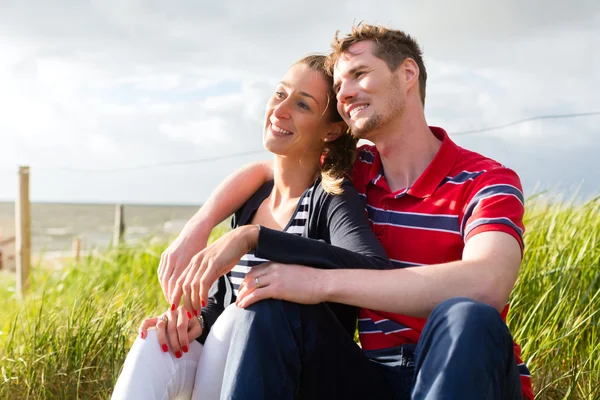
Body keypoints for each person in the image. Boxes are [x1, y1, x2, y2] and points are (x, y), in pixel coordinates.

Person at [164, 24, 534, 399]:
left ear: (407, 73)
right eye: (340, 86)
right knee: (272, 307)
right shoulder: (352, 174)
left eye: (359, 75)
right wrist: (200, 227)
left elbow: (487, 284)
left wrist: (318, 283)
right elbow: (268, 170)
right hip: (372, 377)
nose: (346, 93)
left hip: (464, 373)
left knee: (467, 316)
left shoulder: (486, 180)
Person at [111, 54, 392, 399]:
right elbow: (222, 302)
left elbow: (376, 267)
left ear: (331, 130)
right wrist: (193, 324)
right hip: (223, 365)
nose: (281, 109)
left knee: (244, 314)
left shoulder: (330, 197)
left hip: (286, 378)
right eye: (280, 93)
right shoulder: (254, 195)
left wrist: (259, 240)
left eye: (303, 105)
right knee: (155, 343)